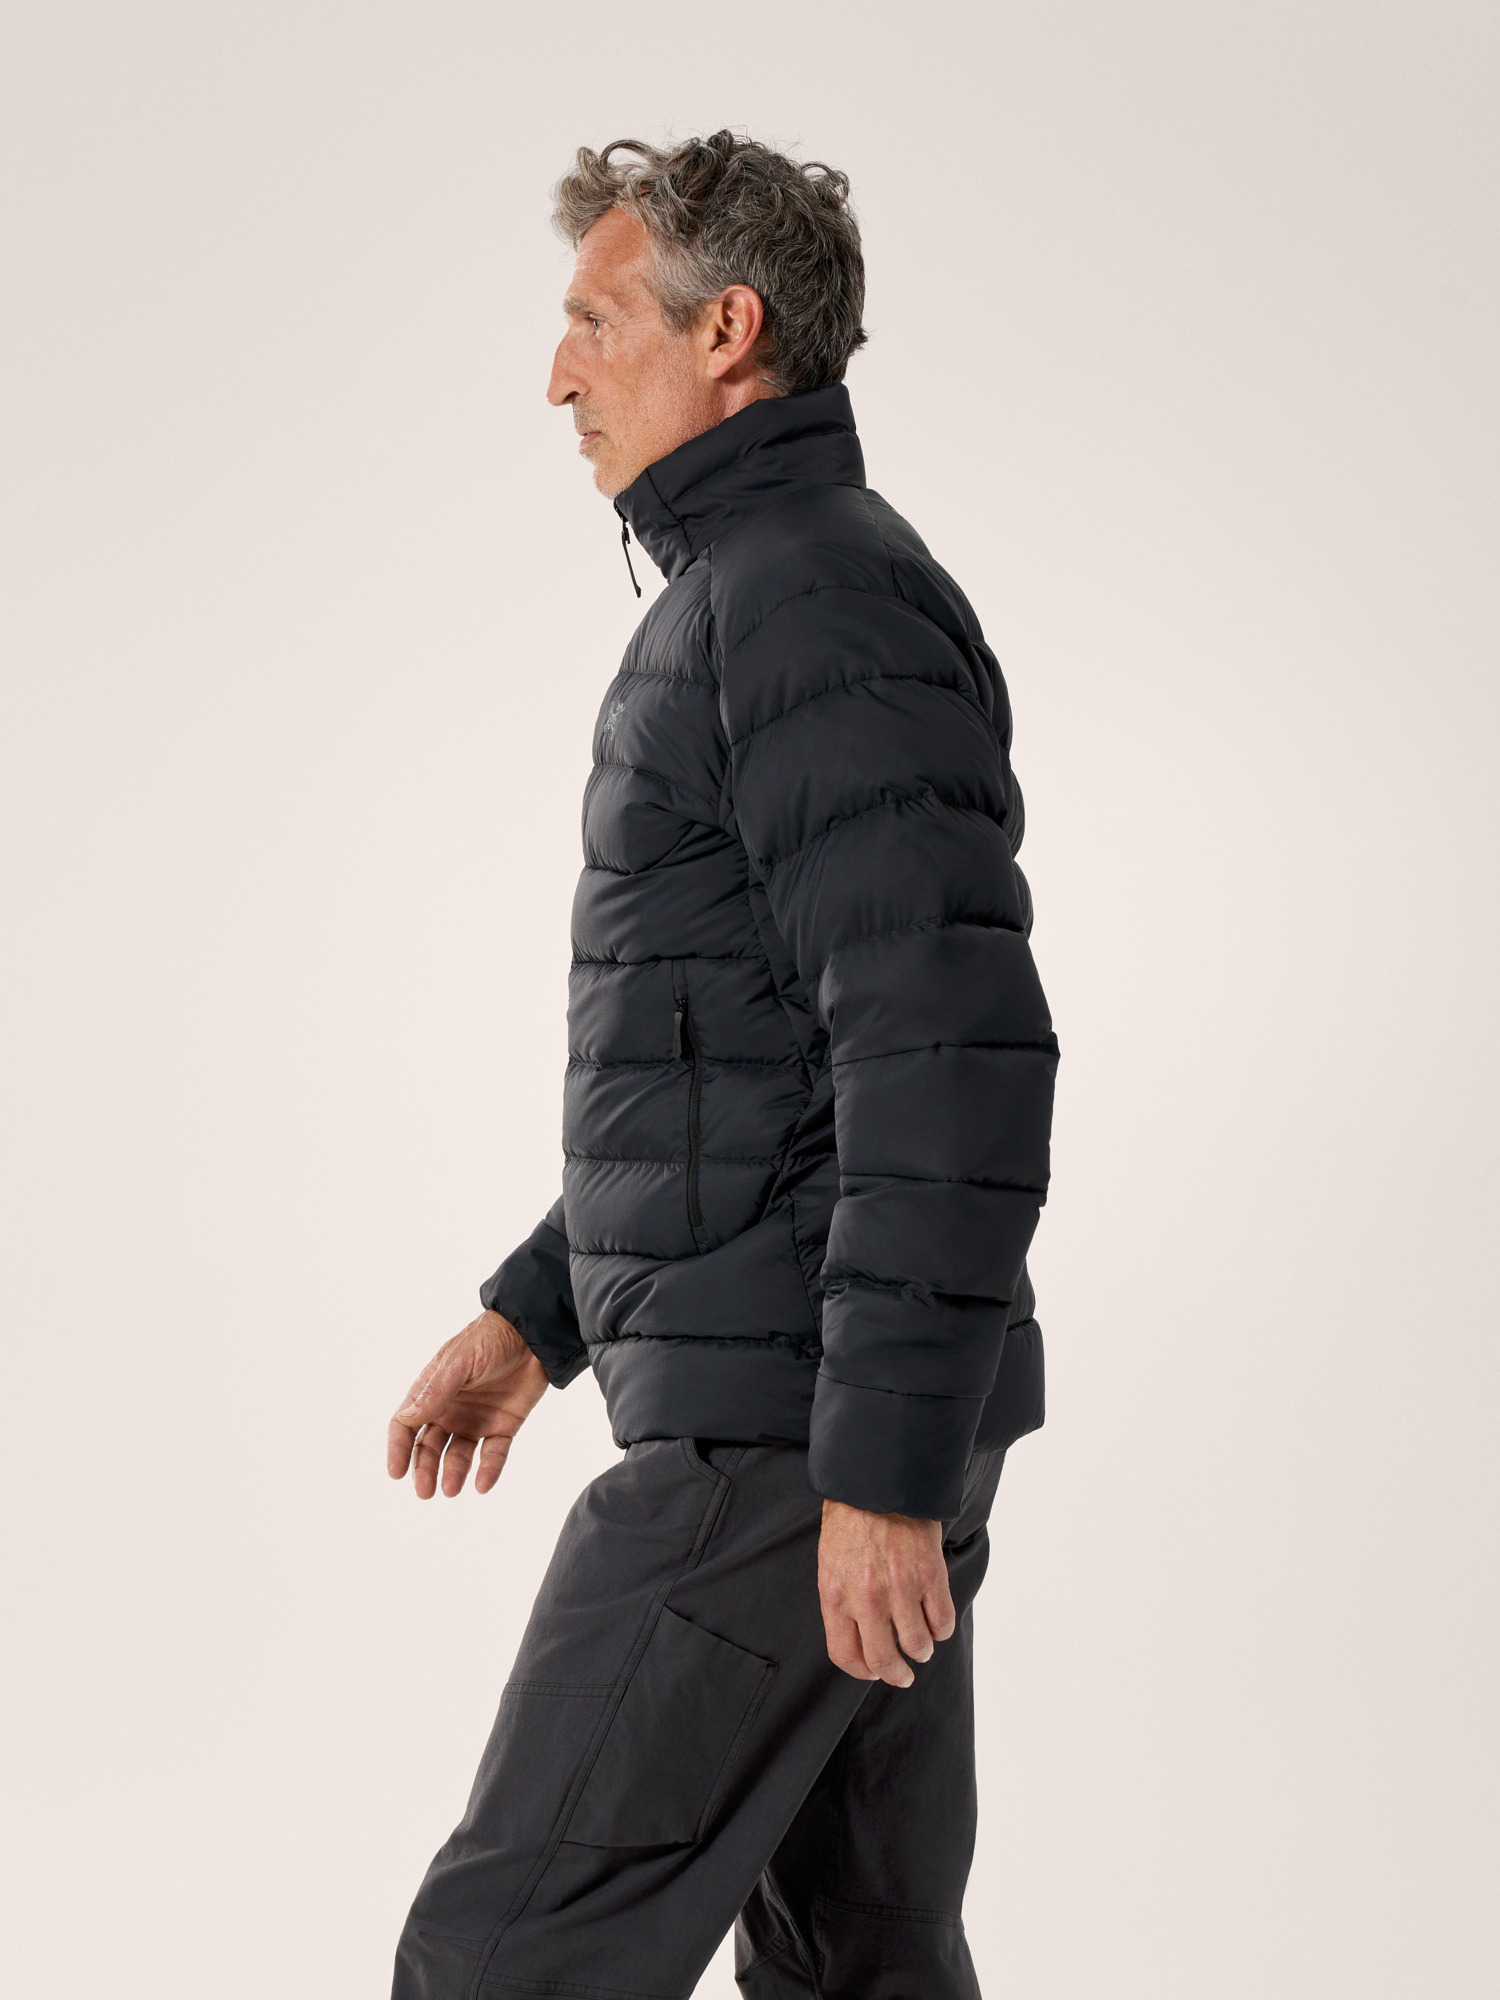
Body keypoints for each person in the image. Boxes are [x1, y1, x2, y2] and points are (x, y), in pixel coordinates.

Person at [387, 131, 1058, 2000]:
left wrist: (880, 1467)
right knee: (860, 1963)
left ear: (727, 330)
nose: (560, 376)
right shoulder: (768, 591)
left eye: (596, 323)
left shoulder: (806, 601)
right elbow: (765, 1063)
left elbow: (946, 1047)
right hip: (828, 1413)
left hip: (791, 1440)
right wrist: (539, 1314)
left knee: (505, 1961)